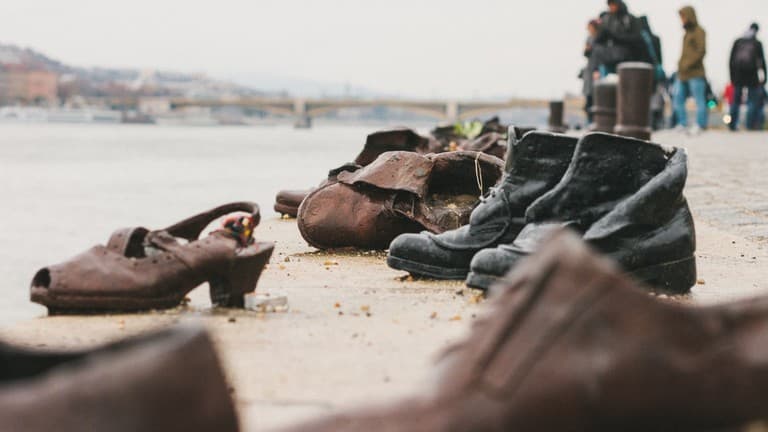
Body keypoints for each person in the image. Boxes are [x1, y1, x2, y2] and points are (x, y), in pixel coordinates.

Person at [587, 0, 643, 78]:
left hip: (626, 54)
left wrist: (616, 37)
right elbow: (599, 40)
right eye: (610, 5)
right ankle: (596, 77)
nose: (611, 7)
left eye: (613, 4)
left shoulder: (629, 19)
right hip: (609, 53)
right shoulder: (606, 19)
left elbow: (636, 38)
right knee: (596, 52)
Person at [674, 6, 708, 134]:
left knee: (699, 99)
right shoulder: (686, 33)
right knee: (678, 98)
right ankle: (682, 123)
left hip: (696, 72)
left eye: (683, 16)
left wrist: (688, 64)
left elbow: (701, 51)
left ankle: (700, 125)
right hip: (682, 73)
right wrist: (680, 65)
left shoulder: (699, 31)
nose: (681, 20)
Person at [728, 22, 767, 131]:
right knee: (752, 102)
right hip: (752, 76)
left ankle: (732, 125)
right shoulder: (757, 43)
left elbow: (730, 60)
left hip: (738, 76)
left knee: (735, 102)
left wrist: (732, 77)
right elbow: (762, 62)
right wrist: (764, 77)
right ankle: (750, 125)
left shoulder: (738, 41)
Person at [581, 19, 601, 123]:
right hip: (590, 69)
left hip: (597, 68)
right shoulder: (589, 38)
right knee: (588, 96)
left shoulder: (600, 38)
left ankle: (594, 121)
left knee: (595, 96)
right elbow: (585, 54)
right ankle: (590, 121)